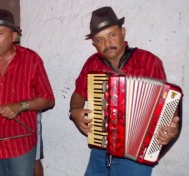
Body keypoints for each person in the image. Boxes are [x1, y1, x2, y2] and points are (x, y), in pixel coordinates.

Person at [69, 6, 181, 176]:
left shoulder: (149, 61)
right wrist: (75, 111)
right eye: (99, 40)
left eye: (111, 35)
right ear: (94, 44)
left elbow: (166, 104)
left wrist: (171, 129)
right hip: (101, 149)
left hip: (136, 154)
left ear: (123, 32)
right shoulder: (92, 64)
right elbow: (78, 93)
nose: (107, 44)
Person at [0, 8, 55, 176]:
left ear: (13, 36)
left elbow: (48, 99)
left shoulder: (31, 60)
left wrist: (21, 106)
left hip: (19, 141)